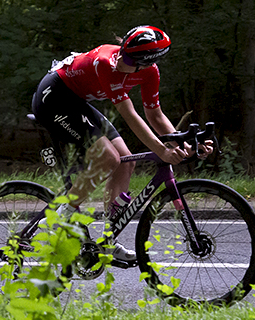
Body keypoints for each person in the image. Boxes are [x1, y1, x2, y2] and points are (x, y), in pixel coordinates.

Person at [31, 25, 210, 266]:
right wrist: (162, 151)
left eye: (129, 59)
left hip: (76, 101)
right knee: (109, 158)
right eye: (123, 53)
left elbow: (155, 116)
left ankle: (107, 240)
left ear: (146, 62)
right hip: (53, 98)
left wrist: (186, 142)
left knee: (127, 162)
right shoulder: (106, 63)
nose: (121, 62)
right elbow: (130, 115)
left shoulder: (150, 73)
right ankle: (60, 216)